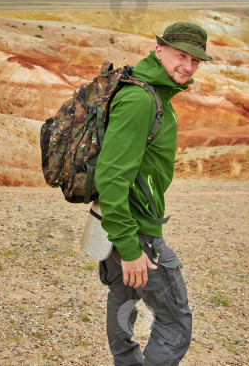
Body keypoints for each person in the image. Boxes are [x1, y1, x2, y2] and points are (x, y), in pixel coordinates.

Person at [95, 21, 213, 366]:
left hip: (119, 222)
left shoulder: (152, 91)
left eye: (195, 61)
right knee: (175, 321)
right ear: (158, 50)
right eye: (181, 56)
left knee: (125, 299)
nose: (188, 67)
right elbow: (112, 175)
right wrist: (131, 247)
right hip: (135, 229)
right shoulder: (140, 98)